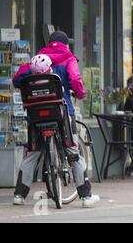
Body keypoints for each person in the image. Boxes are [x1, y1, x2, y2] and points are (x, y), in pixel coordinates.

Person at [12, 31, 100, 208]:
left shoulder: (38, 60)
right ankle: (85, 196)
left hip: (35, 113)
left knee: (33, 152)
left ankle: (19, 195)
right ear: (66, 45)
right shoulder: (68, 58)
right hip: (61, 111)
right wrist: (81, 94)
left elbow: (16, 79)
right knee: (73, 151)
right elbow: (75, 79)